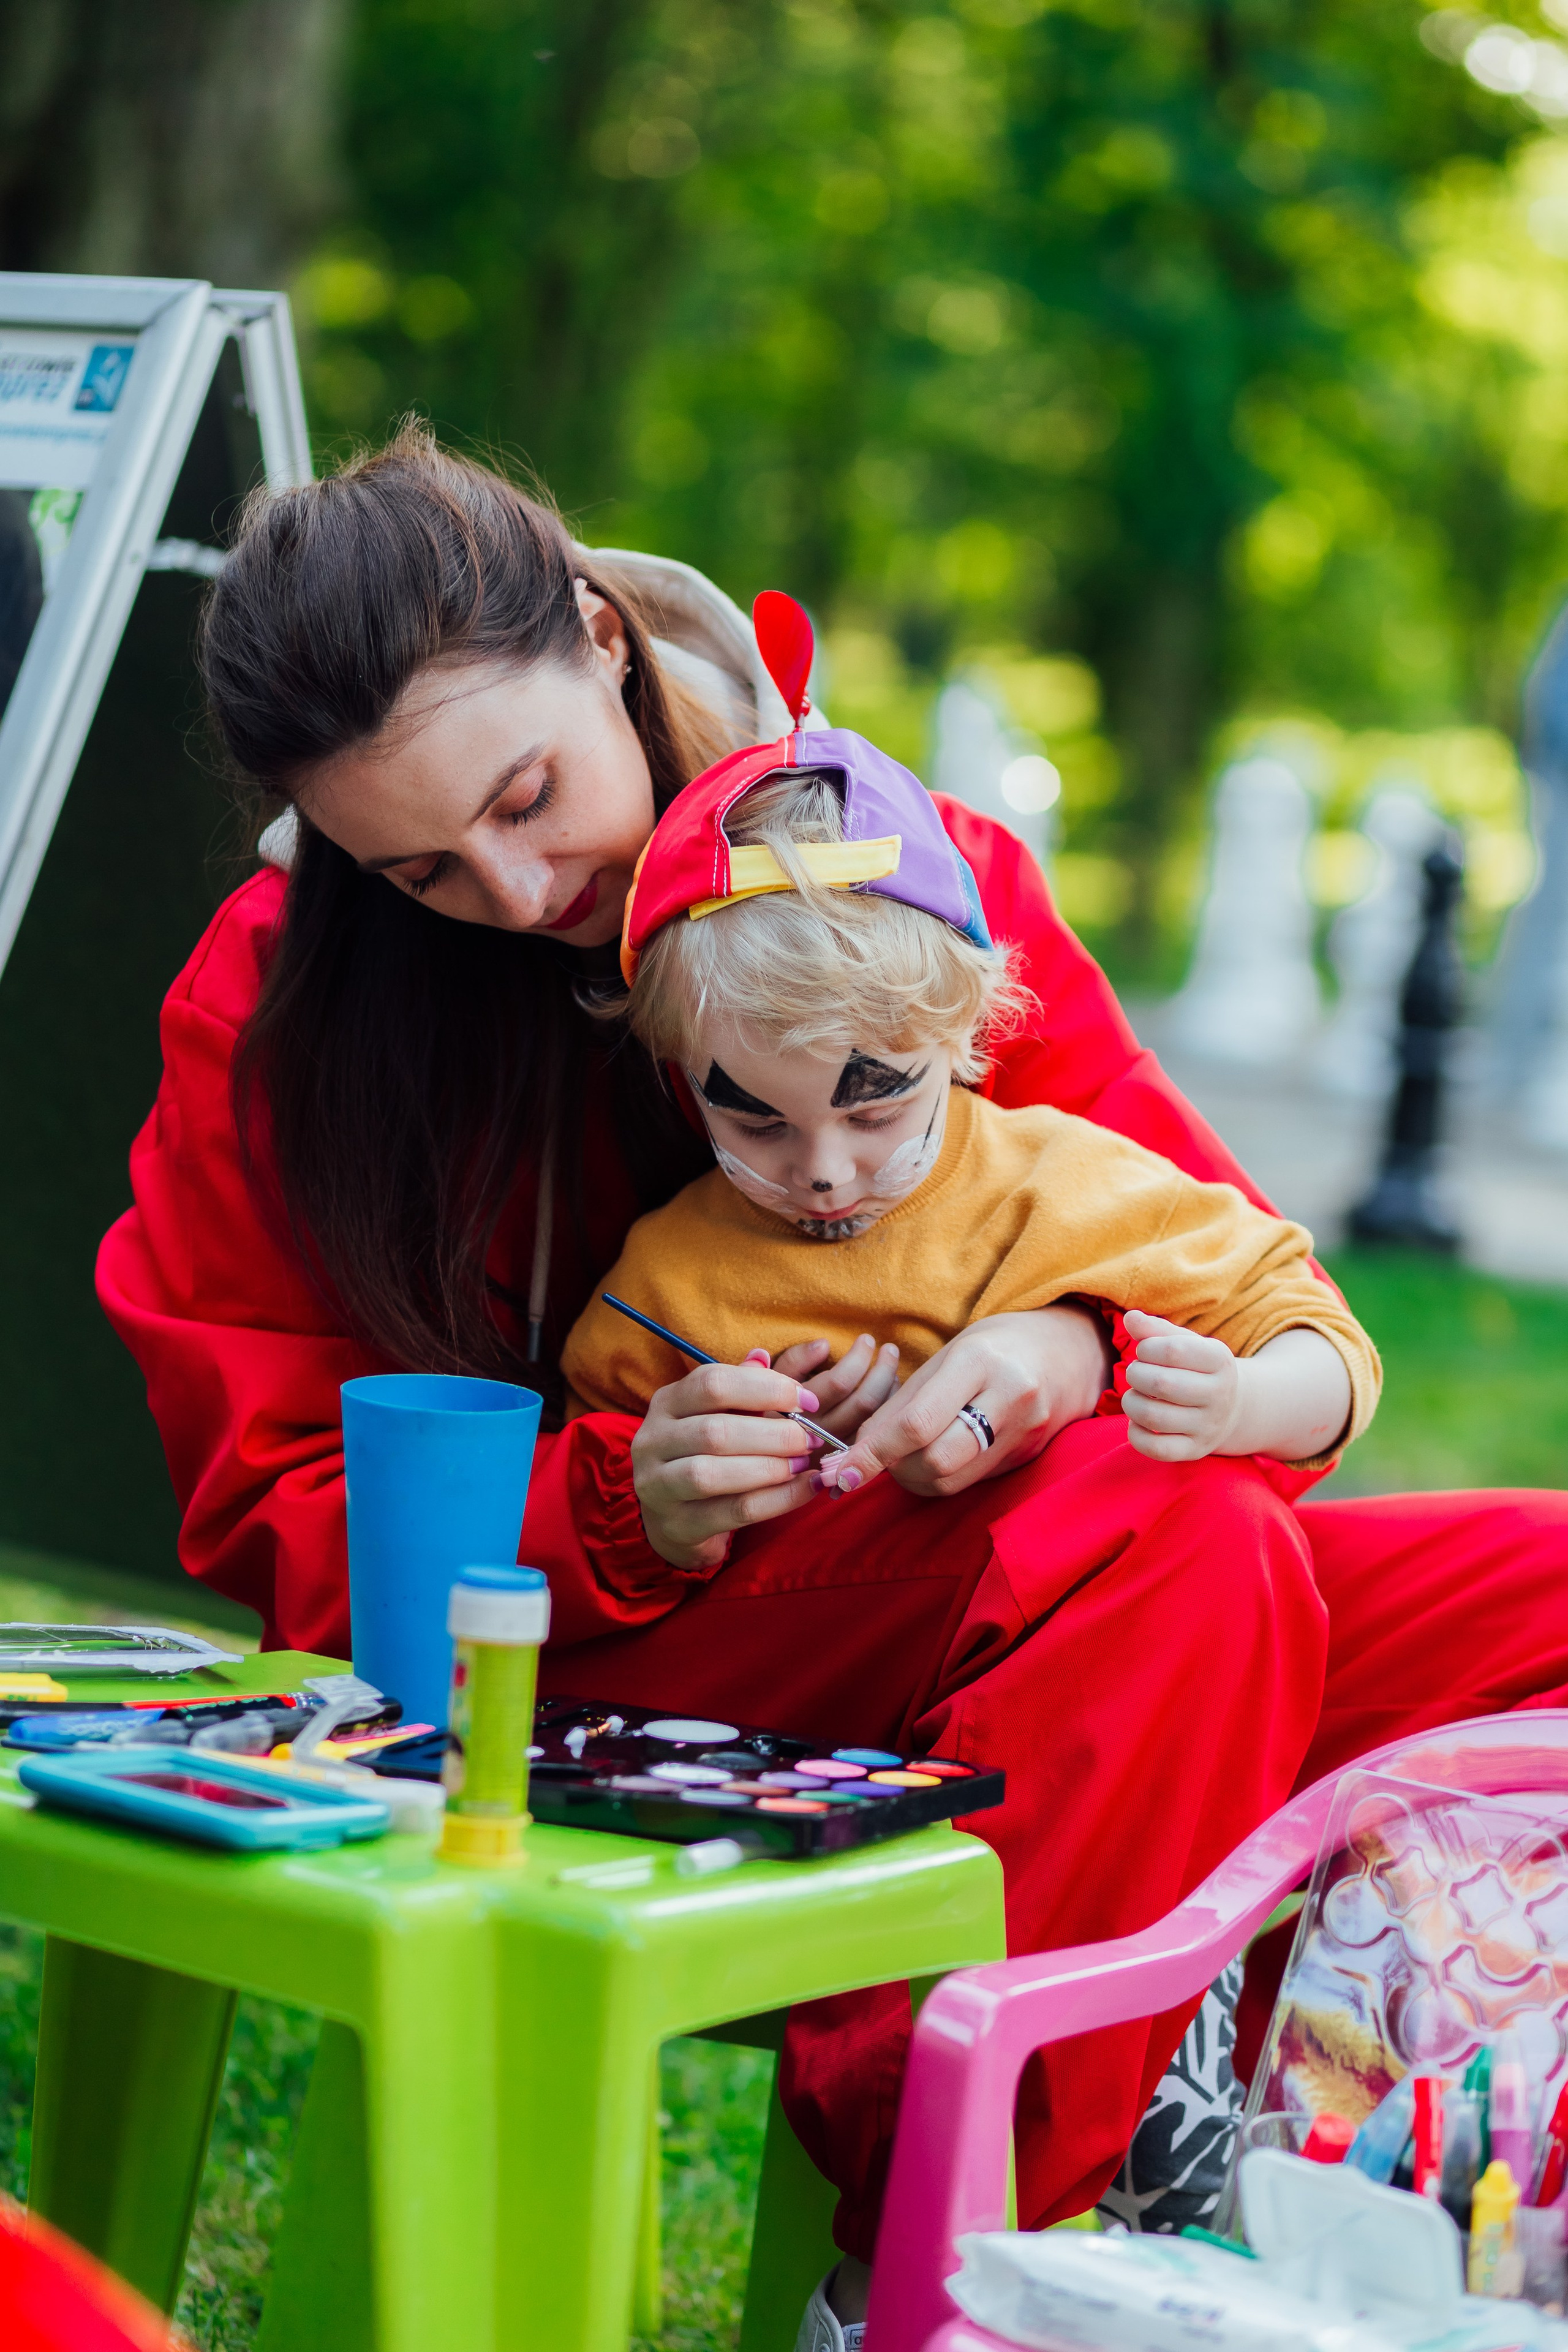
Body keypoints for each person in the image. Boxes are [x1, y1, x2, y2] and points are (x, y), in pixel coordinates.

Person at [96, 431, 1568, 2324]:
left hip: (1042, 1615)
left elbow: (1231, 1277)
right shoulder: (276, 1008)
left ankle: (1358, 2196)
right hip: (607, 1658)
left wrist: (1072, 1334)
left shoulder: (908, 877)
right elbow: (279, 1507)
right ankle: (954, 2267)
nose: (516, 881)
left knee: (1512, 1586)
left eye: (532, 793)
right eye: (417, 869)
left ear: (609, 638)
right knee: (1188, 1545)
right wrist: (628, 1500)